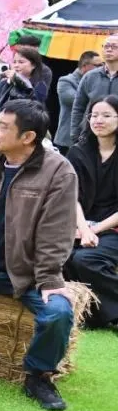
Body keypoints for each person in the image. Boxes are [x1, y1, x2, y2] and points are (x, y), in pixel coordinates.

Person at [0, 100, 77, 410]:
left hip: (25, 275)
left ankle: (38, 375)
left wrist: (49, 278)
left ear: (28, 137)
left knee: (58, 314)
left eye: (3, 127)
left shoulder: (58, 171)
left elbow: (56, 230)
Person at [65, 96, 118, 329]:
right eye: (94, 115)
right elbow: (71, 196)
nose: (98, 120)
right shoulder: (77, 152)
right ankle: (90, 315)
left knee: (87, 259)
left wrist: (93, 230)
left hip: (112, 227)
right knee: (63, 256)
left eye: (106, 115)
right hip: (80, 224)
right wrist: (83, 228)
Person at [70, 34, 118, 143]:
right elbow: (78, 107)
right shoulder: (90, 76)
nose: (109, 49)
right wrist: (75, 135)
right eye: (106, 46)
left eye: (114, 46)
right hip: (92, 135)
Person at [0, 47, 48, 119]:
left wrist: (17, 80)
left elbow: (33, 106)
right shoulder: (5, 82)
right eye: (14, 62)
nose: (16, 65)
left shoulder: (39, 85)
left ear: (33, 65)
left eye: (21, 62)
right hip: (1, 122)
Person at [56, 51, 103, 153]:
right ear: (85, 66)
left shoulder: (98, 81)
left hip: (90, 137)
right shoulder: (65, 81)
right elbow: (79, 101)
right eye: (98, 65)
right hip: (67, 140)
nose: (102, 68)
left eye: (103, 64)